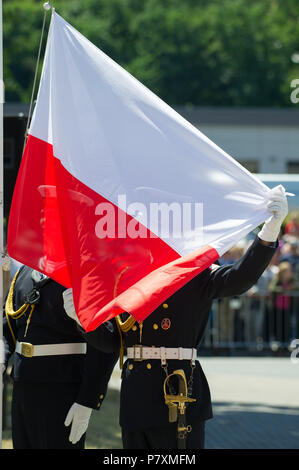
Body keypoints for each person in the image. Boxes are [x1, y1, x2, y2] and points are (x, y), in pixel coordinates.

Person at [63, 185, 288, 449]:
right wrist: (83, 320)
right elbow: (113, 343)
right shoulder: (128, 277)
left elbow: (238, 279)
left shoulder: (194, 270)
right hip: (136, 396)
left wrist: (268, 234)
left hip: (178, 392)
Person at [2, 264, 118, 449]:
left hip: (62, 389)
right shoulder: (25, 271)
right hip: (23, 385)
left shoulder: (84, 273)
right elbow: (7, 324)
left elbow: (107, 343)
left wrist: (87, 399)